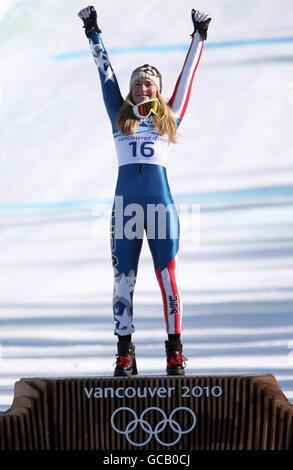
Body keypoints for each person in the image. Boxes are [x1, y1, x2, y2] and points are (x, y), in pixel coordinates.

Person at [78, 6, 211, 377]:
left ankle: (175, 351)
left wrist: (198, 37)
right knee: (123, 279)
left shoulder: (170, 117)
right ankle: (124, 352)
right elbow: (105, 76)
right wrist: (93, 33)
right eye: (137, 83)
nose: (141, 87)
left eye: (148, 83)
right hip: (126, 209)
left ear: (158, 89)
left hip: (160, 207)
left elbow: (187, 79)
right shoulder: (120, 117)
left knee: (168, 275)